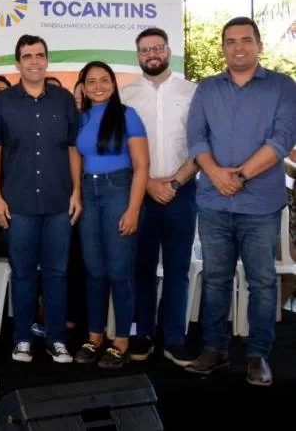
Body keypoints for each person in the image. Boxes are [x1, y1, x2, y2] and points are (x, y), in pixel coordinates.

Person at [185, 16, 296, 387]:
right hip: (214, 203)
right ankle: (214, 351)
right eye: (230, 41)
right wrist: (216, 174)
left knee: (262, 281)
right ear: (223, 48)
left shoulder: (283, 87)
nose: (238, 47)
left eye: (246, 40)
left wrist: (241, 176)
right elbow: (197, 138)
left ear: (259, 46)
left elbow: (281, 139)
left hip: (260, 204)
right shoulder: (208, 88)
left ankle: (258, 355)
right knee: (216, 278)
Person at [0, 35, 80, 364]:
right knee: (23, 273)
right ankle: (22, 338)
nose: (34, 61)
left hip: (58, 202)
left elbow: (72, 149)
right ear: (18, 63)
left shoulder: (65, 100)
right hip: (18, 202)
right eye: (27, 56)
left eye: (40, 55)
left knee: (56, 273)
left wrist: (77, 192)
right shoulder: (1, 102)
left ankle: (56, 339)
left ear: (47, 59)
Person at [120, 28, 198, 366]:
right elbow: (120, 147)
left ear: (168, 51)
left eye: (157, 48)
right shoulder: (125, 96)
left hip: (183, 191)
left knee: (179, 268)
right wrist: (149, 184)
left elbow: (201, 145)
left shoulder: (192, 92)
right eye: (144, 50)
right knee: (142, 268)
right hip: (141, 193)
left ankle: (174, 338)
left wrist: (175, 184)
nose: (151, 54)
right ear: (137, 55)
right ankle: (142, 333)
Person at [73, 61, 148, 370]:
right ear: (83, 86)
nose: (99, 85)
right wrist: (76, 193)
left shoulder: (128, 115)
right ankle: (94, 336)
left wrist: (132, 210)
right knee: (94, 270)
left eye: (105, 80)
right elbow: (76, 159)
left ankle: (121, 341)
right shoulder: (80, 118)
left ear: (114, 84)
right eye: (91, 81)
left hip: (119, 190)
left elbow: (142, 167)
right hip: (89, 194)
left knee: (119, 271)